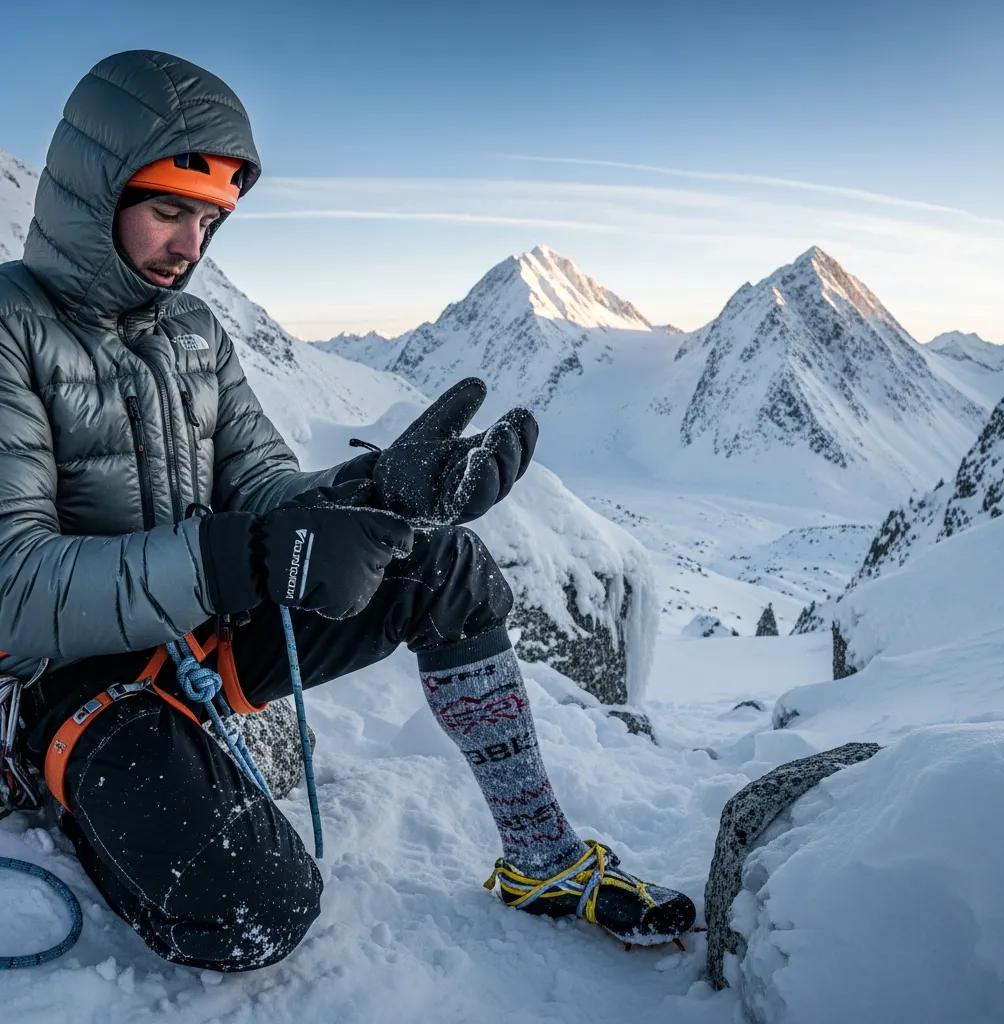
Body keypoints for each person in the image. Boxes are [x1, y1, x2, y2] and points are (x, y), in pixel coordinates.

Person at [0, 50, 695, 972]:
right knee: (258, 913)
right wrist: (243, 560)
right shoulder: (10, 328)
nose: (190, 249)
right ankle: (58, 785)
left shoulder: (196, 335)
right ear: (95, 194)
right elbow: (14, 582)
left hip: (195, 641)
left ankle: (542, 859)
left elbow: (261, 493)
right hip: (60, 684)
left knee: (439, 567)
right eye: (169, 211)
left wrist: (373, 498)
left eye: (208, 221)